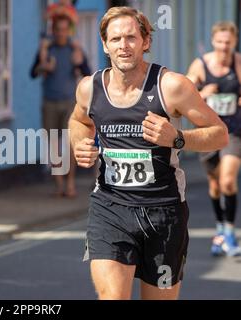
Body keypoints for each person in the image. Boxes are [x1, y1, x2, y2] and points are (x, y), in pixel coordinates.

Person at [69, 6, 228, 300]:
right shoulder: (90, 88)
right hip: (110, 208)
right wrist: (80, 143)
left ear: (146, 42)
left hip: (164, 212)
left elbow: (219, 134)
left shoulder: (171, 86)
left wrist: (178, 138)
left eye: (131, 37)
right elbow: (79, 120)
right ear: (104, 45)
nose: (123, 46)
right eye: (115, 39)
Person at [187, 21, 241, 257]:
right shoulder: (201, 65)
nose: (223, 46)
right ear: (213, 41)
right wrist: (202, 94)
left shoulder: (238, 63)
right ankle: (219, 229)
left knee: (228, 181)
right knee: (215, 184)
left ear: (234, 42)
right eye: (220, 42)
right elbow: (183, 96)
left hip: (233, 131)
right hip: (208, 132)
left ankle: (229, 233)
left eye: (228, 42)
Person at [31, 15, 91, 198]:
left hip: (69, 103)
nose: (61, 33)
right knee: (53, 146)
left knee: (70, 145)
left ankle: (70, 183)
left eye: (64, 29)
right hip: (50, 102)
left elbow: (87, 73)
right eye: (58, 30)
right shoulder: (46, 50)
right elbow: (33, 73)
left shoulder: (75, 49)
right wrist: (44, 67)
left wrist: (78, 62)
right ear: (53, 31)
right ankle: (59, 185)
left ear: (69, 31)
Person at [40, 0, 79, 74]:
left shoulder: (70, 9)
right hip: (54, 35)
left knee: (77, 47)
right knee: (44, 45)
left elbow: (76, 20)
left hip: (69, 36)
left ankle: (76, 67)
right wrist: (54, 12)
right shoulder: (54, 7)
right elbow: (45, 17)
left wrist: (66, 13)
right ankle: (44, 63)